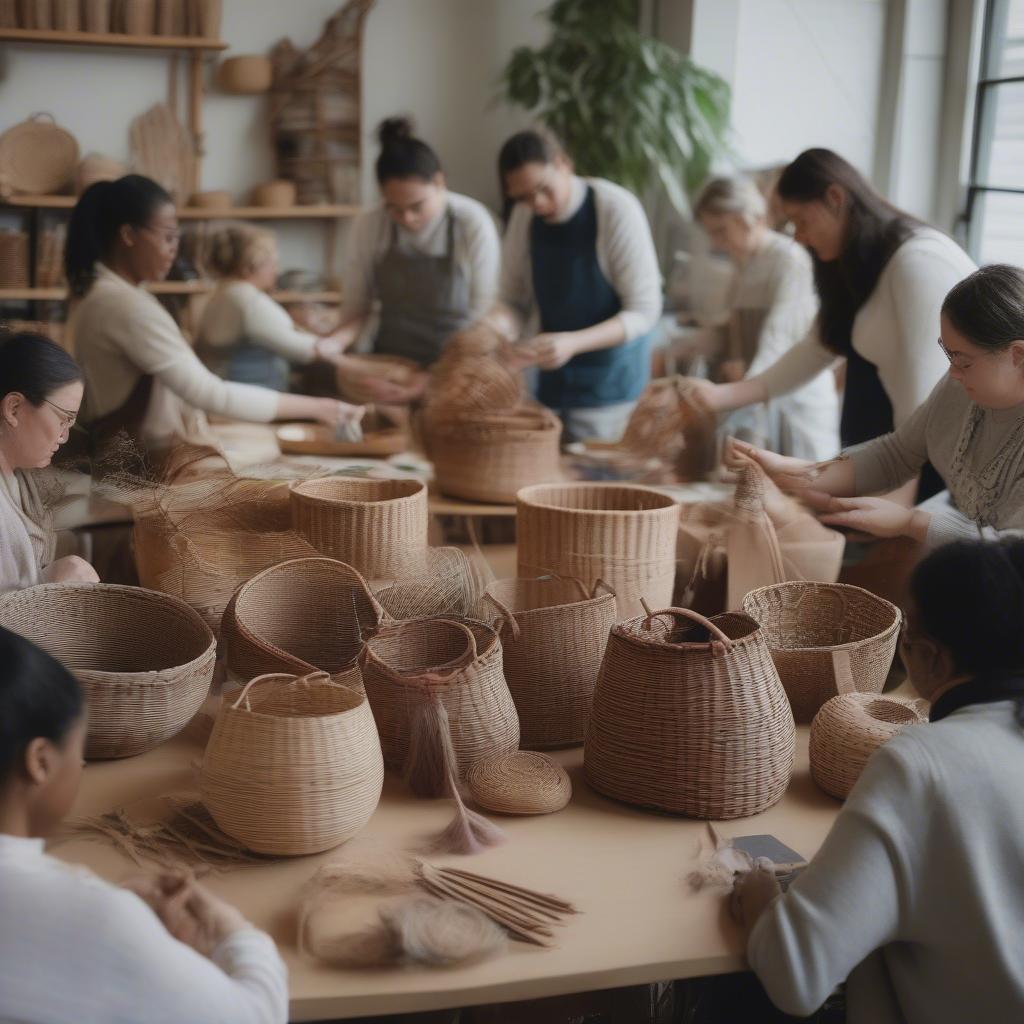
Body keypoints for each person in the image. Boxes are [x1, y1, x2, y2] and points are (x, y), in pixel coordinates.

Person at [732, 537, 1024, 1023]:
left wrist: (759, 892)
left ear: (930, 657)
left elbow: (797, 975)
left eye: (907, 639)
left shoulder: (925, 764)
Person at [0, 625, 288, 1023]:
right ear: (41, 762)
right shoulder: (98, 922)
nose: (81, 766)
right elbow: (257, 1014)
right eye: (76, 751)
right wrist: (233, 932)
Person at [694, 149, 975, 500]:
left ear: (835, 198)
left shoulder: (916, 262)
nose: (797, 237)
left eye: (801, 221)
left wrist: (897, 516)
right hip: (890, 459)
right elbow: (816, 348)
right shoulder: (852, 264)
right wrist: (719, 396)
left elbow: (924, 411)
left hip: (936, 470)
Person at [65, 175, 363, 456]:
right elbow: (209, 393)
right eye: (168, 238)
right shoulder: (124, 306)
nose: (173, 251)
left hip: (128, 450)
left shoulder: (103, 293)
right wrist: (322, 408)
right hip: (136, 462)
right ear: (128, 235)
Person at [731, 265, 1024, 547]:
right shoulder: (959, 384)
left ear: (1018, 354)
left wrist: (911, 523)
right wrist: (801, 472)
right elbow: (897, 453)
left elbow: (1013, 553)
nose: (953, 373)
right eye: (949, 356)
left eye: (963, 361)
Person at [495, 129, 662, 443]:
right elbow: (512, 299)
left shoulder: (615, 209)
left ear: (563, 164)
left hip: (610, 387)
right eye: (524, 196)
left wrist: (573, 343)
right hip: (550, 383)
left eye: (544, 189)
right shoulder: (524, 216)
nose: (538, 203)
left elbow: (644, 311)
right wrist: (497, 327)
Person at [331, 116, 501, 368]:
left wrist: (444, 373)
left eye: (416, 206)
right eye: (394, 208)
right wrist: (335, 346)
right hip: (390, 361)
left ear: (439, 182)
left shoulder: (471, 221)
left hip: (458, 362)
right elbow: (356, 307)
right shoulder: (369, 225)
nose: (407, 218)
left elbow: (485, 311)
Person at [693, 176, 839, 461]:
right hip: (757, 396)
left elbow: (776, 342)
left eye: (721, 231)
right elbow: (727, 328)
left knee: (797, 497)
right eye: (711, 234)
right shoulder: (744, 264)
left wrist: (732, 395)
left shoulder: (788, 260)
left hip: (795, 406)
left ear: (747, 217)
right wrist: (675, 348)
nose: (717, 243)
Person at [196, 224, 412, 403]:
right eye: (272, 262)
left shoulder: (222, 293)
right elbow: (308, 351)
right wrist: (375, 367)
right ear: (251, 266)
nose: (276, 269)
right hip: (246, 401)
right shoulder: (246, 299)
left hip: (234, 395)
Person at [0, 332, 98, 592]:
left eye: (71, 423)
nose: (64, 436)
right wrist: (49, 584)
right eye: (63, 418)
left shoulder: (17, 475)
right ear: (14, 409)